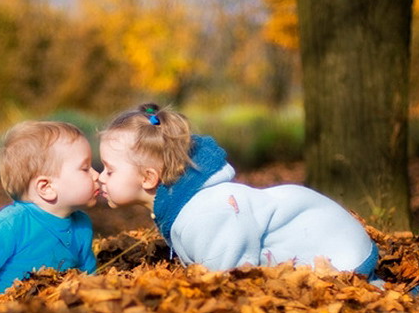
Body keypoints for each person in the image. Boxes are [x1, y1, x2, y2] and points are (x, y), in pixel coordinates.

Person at [98, 103, 379, 277]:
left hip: (341, 255)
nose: (101, 178)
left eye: (109, 170)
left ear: (148, 178)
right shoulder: (186, 208)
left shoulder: (206, 213)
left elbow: (232, 279)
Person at [0, 121, 100, 303]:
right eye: (85, 168)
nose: (97, 175)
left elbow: (90, 282)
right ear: (46, 187)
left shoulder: (82, 225)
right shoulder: (9, 225)